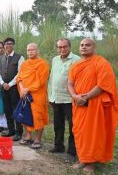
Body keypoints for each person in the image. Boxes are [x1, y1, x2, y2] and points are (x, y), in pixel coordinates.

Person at [68, 38, 118, 173]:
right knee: (79, 132)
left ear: (94, 47)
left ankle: (92, 163)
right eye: (82, 45)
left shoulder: (101, 63)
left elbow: (103, 85)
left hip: (94, 105)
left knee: (93, 133)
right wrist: (74, 96)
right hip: (78, 104)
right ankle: (83, 159)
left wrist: (85, 97)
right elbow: (70, 83)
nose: (84, 47)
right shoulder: (76, 65)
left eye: (87, 45)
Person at [48, 38, 80, 162]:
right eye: (60, 47)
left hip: (69, 98)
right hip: (56, 98)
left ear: (70, 47)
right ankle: (58, 146)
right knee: (58, 124)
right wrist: (50, 96)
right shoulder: (55, 60)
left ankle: (72, 152)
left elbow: (78, 80)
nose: (62, 49)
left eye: (64, 46)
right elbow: (51, 79)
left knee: (73, 126)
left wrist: (76, 96)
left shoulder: (77, 60)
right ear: (57, 48)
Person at [17, 43, 50, 149]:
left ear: (37, 51)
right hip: (24, 94)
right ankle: (28, 136)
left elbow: (41, 81)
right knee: (25, 114)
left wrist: (28, 89)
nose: (30, 52)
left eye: (32, 50)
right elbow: (19, 78)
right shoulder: (25, 64)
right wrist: (22, 88)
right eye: (28, 50)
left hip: (37, 95)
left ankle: (37, 139)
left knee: (37, 116)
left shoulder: (43, 63)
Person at [0, 37, 24, 141]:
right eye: (7, 44)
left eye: (11, 43)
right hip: (4, 88)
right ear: (4, 46)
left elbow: (20, 73)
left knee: (16, 109)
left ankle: (19, 132)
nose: (9, 45)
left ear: (13, 45)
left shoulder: (19, 57)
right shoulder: (1, 58)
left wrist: (10, 84)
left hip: (14, 88)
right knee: (7, 109)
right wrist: (3, 83)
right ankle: (11, 129)